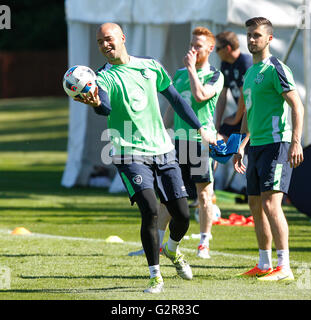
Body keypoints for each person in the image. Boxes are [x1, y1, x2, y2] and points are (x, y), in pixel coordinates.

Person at [74, 23, 216, 294]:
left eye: (109, 39)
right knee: (150, 209)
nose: (105, 45)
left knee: (183, 215)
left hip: (163, 150)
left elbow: (175, 100)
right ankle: (155, 277)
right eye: (100, 42)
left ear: (122, 38)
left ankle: (172, 249)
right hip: (129, 153)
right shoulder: (103, 77)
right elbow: (104, 106)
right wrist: (94, 103)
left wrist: (201, 128)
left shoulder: (150, 66)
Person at [129, 26, 224, 259]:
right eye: (191, 45)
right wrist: (160, 129)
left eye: (198, 46)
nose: (192, 49)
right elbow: (173, 105)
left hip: (201, 142)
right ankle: (156, 243)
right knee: (167, 195)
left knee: (204, 195)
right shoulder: (180, 74)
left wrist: (192, 69)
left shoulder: (215, 75)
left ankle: (204, 244)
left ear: (210, 49)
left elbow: (201, 96)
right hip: (178, 142)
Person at [233, 17, 304, 281]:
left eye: (257, 36)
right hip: (257, 147)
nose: (252, 40)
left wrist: (296, 142)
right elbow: (248, 113)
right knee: (254, 204)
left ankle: (284, 267)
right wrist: (241, 144)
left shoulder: (276, 68)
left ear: (269, 39)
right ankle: (264, 264)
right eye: (249, 35)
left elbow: (297, 105)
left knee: (272, 204)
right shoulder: (250, 73)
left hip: (278, 145)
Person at [215, 31, 252, 142]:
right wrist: (217, 123)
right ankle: (215, 159)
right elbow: (222, 96)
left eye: (217, 49)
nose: (216, 52)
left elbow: (245, 94)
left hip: (254, 115)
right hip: (243, 114)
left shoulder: (245, 62)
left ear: (227, 49)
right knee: (218, 138)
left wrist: (236, 119)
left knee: (247, 148)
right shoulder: (225, 64)